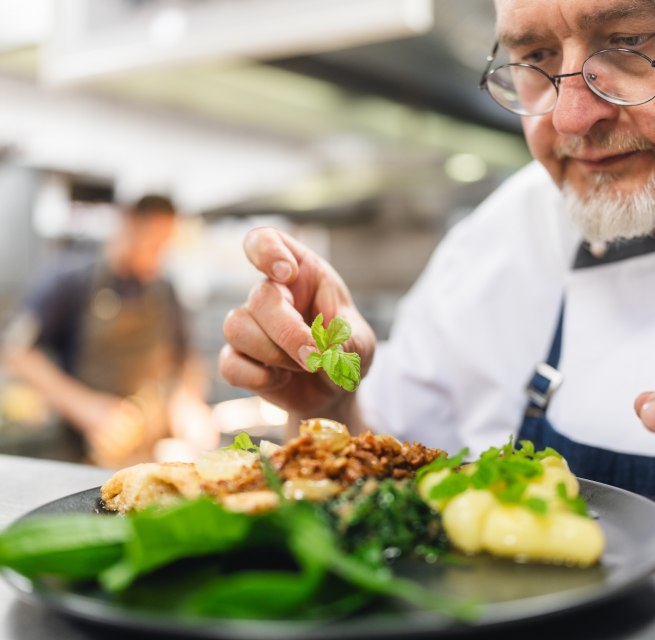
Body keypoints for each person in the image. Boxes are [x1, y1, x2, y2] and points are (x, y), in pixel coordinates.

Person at [218, 0, 655, 497]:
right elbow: (392, 476)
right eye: (537, 56)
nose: (571, 118)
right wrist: (328, 409)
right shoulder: (501, 240)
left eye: (630, 41)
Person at [3, 194, 218, 468]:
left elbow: (186, 358)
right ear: (128, 223)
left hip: (151, 447)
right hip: (85, 450)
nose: (157, 255)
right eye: (152, 242)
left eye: (164, 245)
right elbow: (18, 354)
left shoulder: (166, 289)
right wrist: (85, 406)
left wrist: (189, 403)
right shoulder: (69, 279)